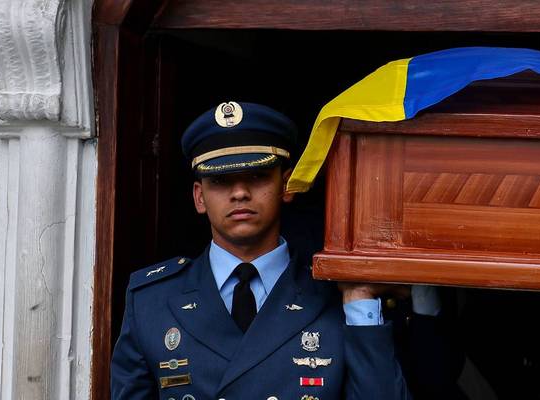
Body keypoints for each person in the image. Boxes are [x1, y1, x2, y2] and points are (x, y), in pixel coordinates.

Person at [111, 101, 414, 399]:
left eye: (257, 176)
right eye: (220, 180)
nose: (240, 192)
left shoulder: (335, 296)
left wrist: (359, 300)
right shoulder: (151, 300)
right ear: (199, 197)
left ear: (286, 186)